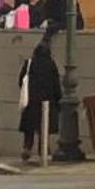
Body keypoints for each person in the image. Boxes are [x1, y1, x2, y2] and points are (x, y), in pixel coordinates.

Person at [19, 30, 63, 163]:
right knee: (43, 129)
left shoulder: (29, 63)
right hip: (47, 102)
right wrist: (58, 99)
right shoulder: (51, 65)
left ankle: (27, 149)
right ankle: (43, 150)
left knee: (29, 129)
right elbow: (56, 84)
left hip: (31, 102)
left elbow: (21, 81)